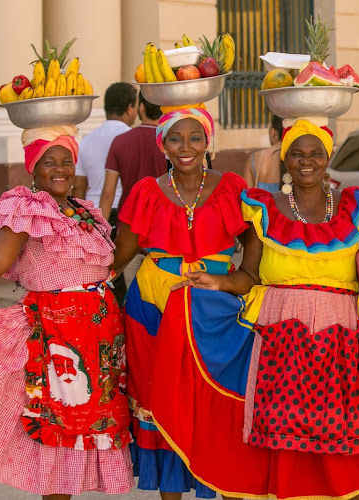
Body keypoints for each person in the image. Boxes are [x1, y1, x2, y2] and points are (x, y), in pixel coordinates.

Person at [143, 118, 359, 499]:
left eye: (315, 153)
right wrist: (218, 283)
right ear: (285, 160)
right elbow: (250, 274)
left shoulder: (355, 207)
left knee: (333, 446)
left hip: (337, 341)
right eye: (297, 154)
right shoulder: (261, 208)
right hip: (272, 337)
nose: (307, 161)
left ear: (328, 157)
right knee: (271, 445)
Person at [0, 126, 133, 499]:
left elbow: (109, 263)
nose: (60, 168)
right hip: (57, 339)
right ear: (32, 169)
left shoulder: (83, 211)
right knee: (58, 433)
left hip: (99, 340)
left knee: (85, 433)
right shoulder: (27, 207)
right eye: (48, 161)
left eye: (66, 160)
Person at [111, 105, 246, 500]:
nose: (186, 147)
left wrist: (229, 283)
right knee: (161, 398)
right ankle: (170, 493)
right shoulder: (145, 191)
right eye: (175, 139)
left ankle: (221, 483)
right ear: (163, 146)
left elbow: (252, 259)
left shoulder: (233, 187)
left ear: (208, 142)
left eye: (195, 138)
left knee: (214, 395)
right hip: (153, 304)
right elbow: (120, 255)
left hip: (213, 305)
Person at [73, 82, 137, 304]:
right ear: (130, 108)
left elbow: (79, 186)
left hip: (93, 214)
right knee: (125, 270)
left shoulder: (88, 140)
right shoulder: (132, 137)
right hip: (126, 214)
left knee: (105, 273)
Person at [100, 90, 167, 284]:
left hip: (128, 233)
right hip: (163, 234)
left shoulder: (120, 142)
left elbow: (108, 193)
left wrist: (102, 235)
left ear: (141, 108)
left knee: (132, 300)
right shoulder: (171, 144)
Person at [242, 113, 283, 192]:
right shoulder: (291, 156)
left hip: (261, 204)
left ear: (272, 131)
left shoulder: (254, 157)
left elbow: (247, 195)